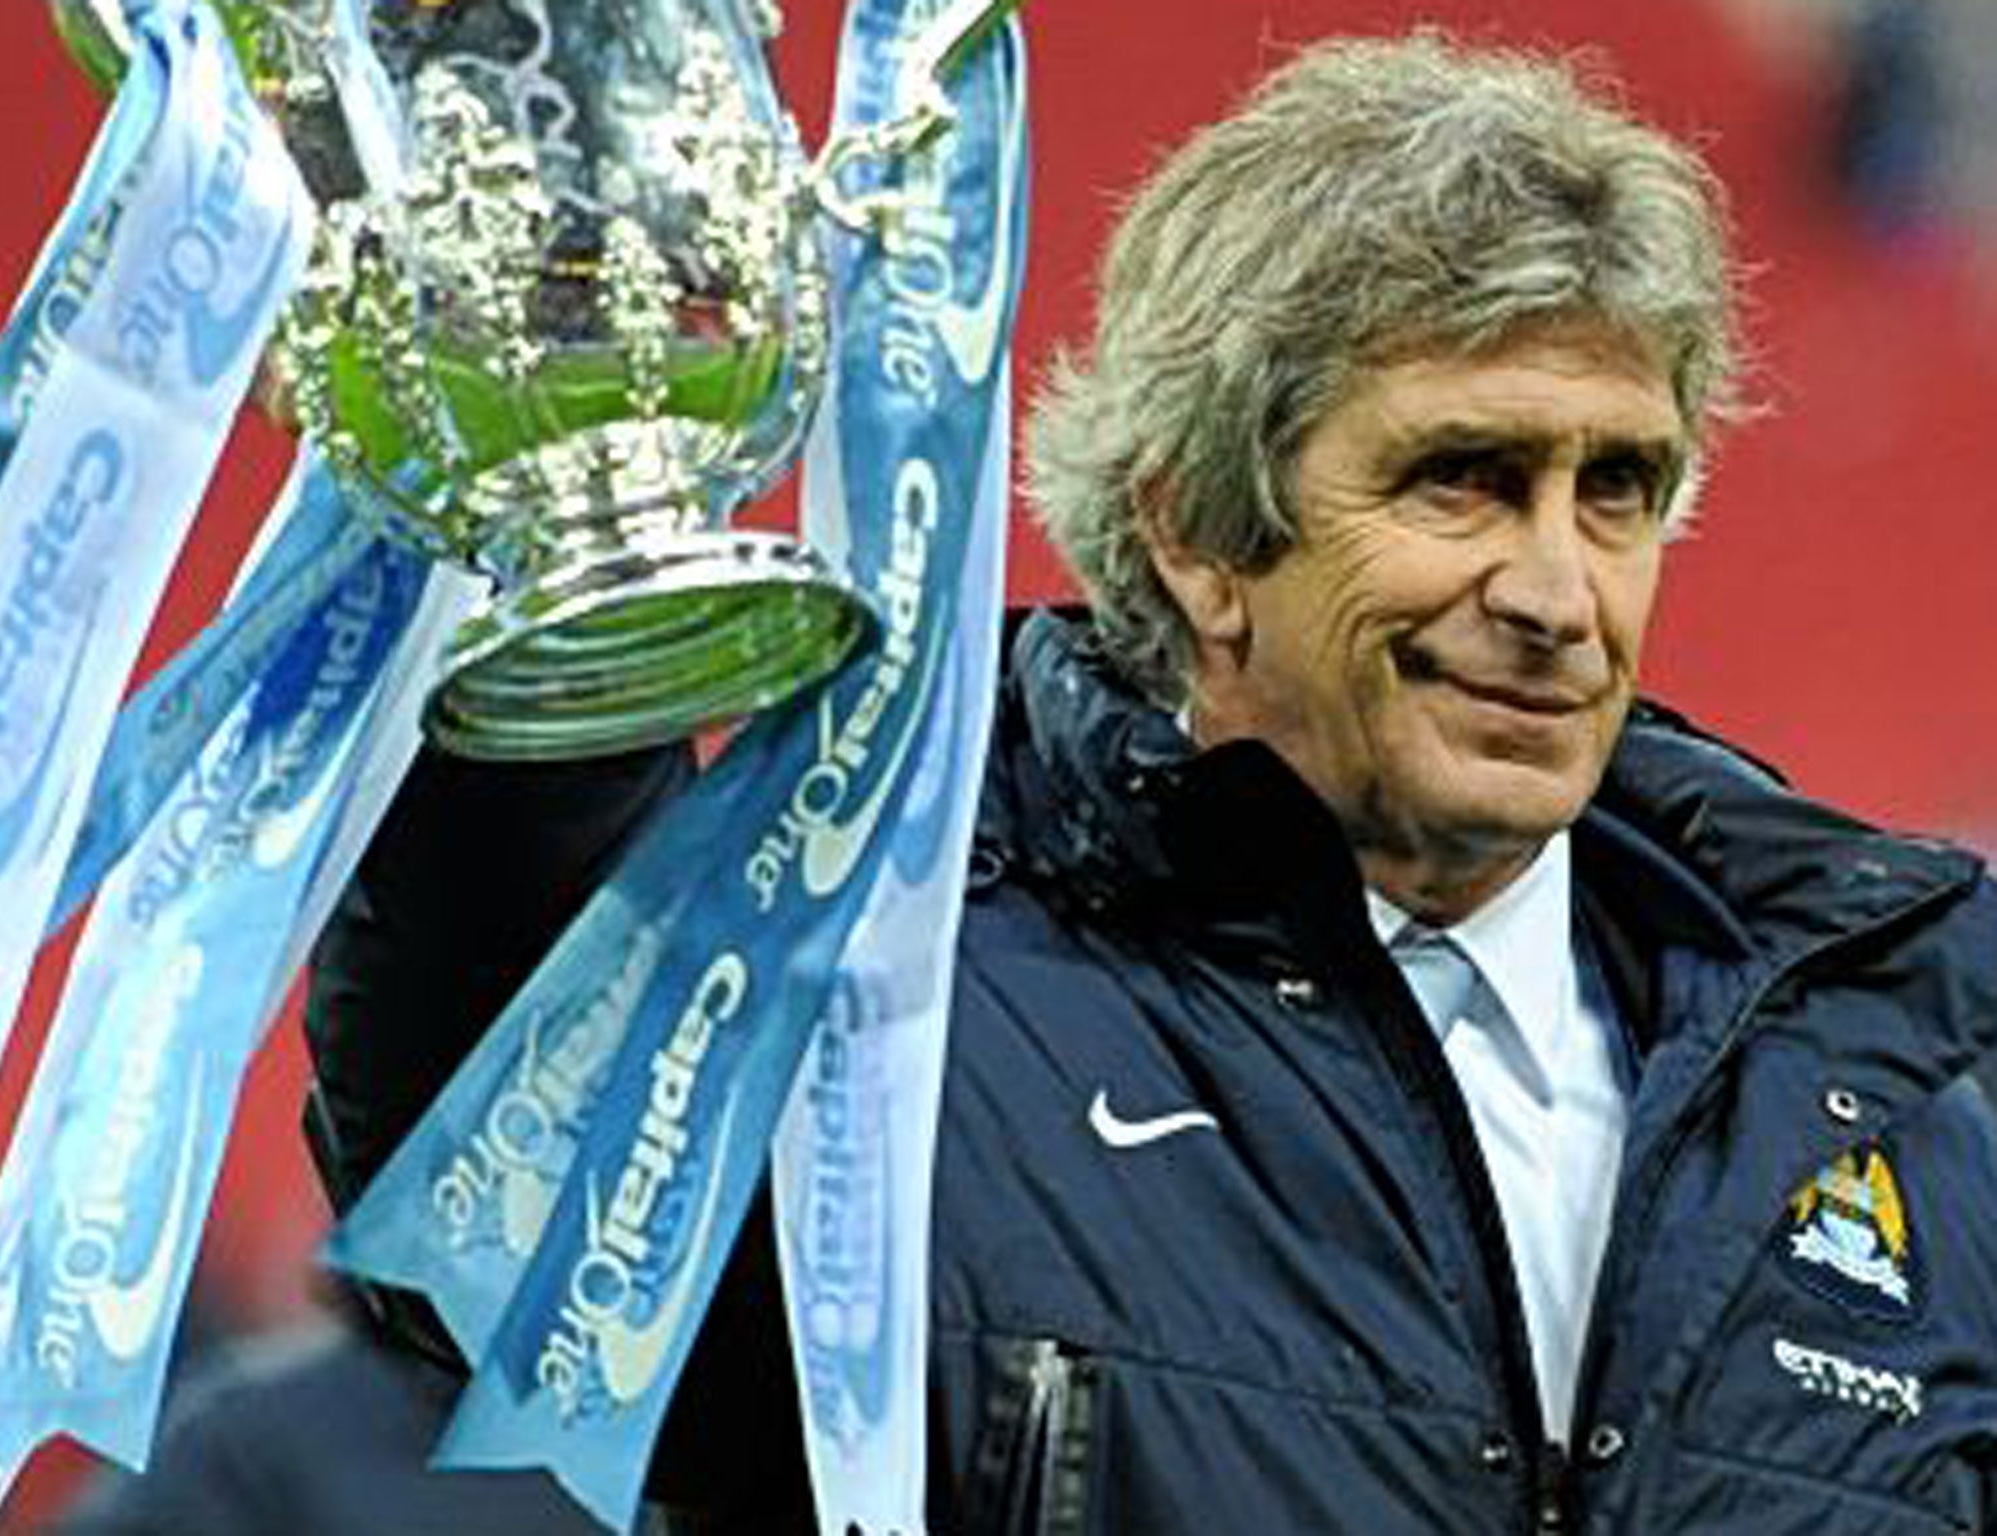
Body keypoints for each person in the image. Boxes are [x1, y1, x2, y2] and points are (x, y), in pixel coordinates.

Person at [302, 30, 1997, 1535]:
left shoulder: (1894, 1065)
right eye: (1462, 481)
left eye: (1615, 490)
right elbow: (506, 1184)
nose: (1560, 595)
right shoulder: (891, 997)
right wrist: (545, 604)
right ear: (1196, 533)